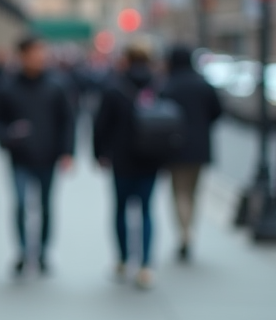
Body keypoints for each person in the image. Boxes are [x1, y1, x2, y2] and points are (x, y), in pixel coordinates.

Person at [0, 35, 74, 275]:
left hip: (48, 157)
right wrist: (9, 135)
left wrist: (68, 152)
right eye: (35, 53)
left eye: (42, 53)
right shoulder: (6, 87)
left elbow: (67, 121)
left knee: (46, 206)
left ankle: (43, 253)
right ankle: (22, 251)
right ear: (22, 56)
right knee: (20, 206)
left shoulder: (57, 85)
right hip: (20, 158)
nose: (40, 57)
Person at [92, 41, 161, 289]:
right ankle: (145, 266)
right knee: (146, 210)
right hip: (151, 159)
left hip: (122, 160)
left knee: (121, 209)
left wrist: (98, 153)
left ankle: (122, 260)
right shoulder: (157, 86)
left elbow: (100, 125)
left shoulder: (114, 88)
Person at [160, 44, 222, 262]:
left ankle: (184, 234)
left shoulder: (168, 85)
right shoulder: (202, 84)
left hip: (175, 147)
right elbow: (217, 111)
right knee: (193, 192)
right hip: (199, 148)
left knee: (179, 193)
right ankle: (189, 232)